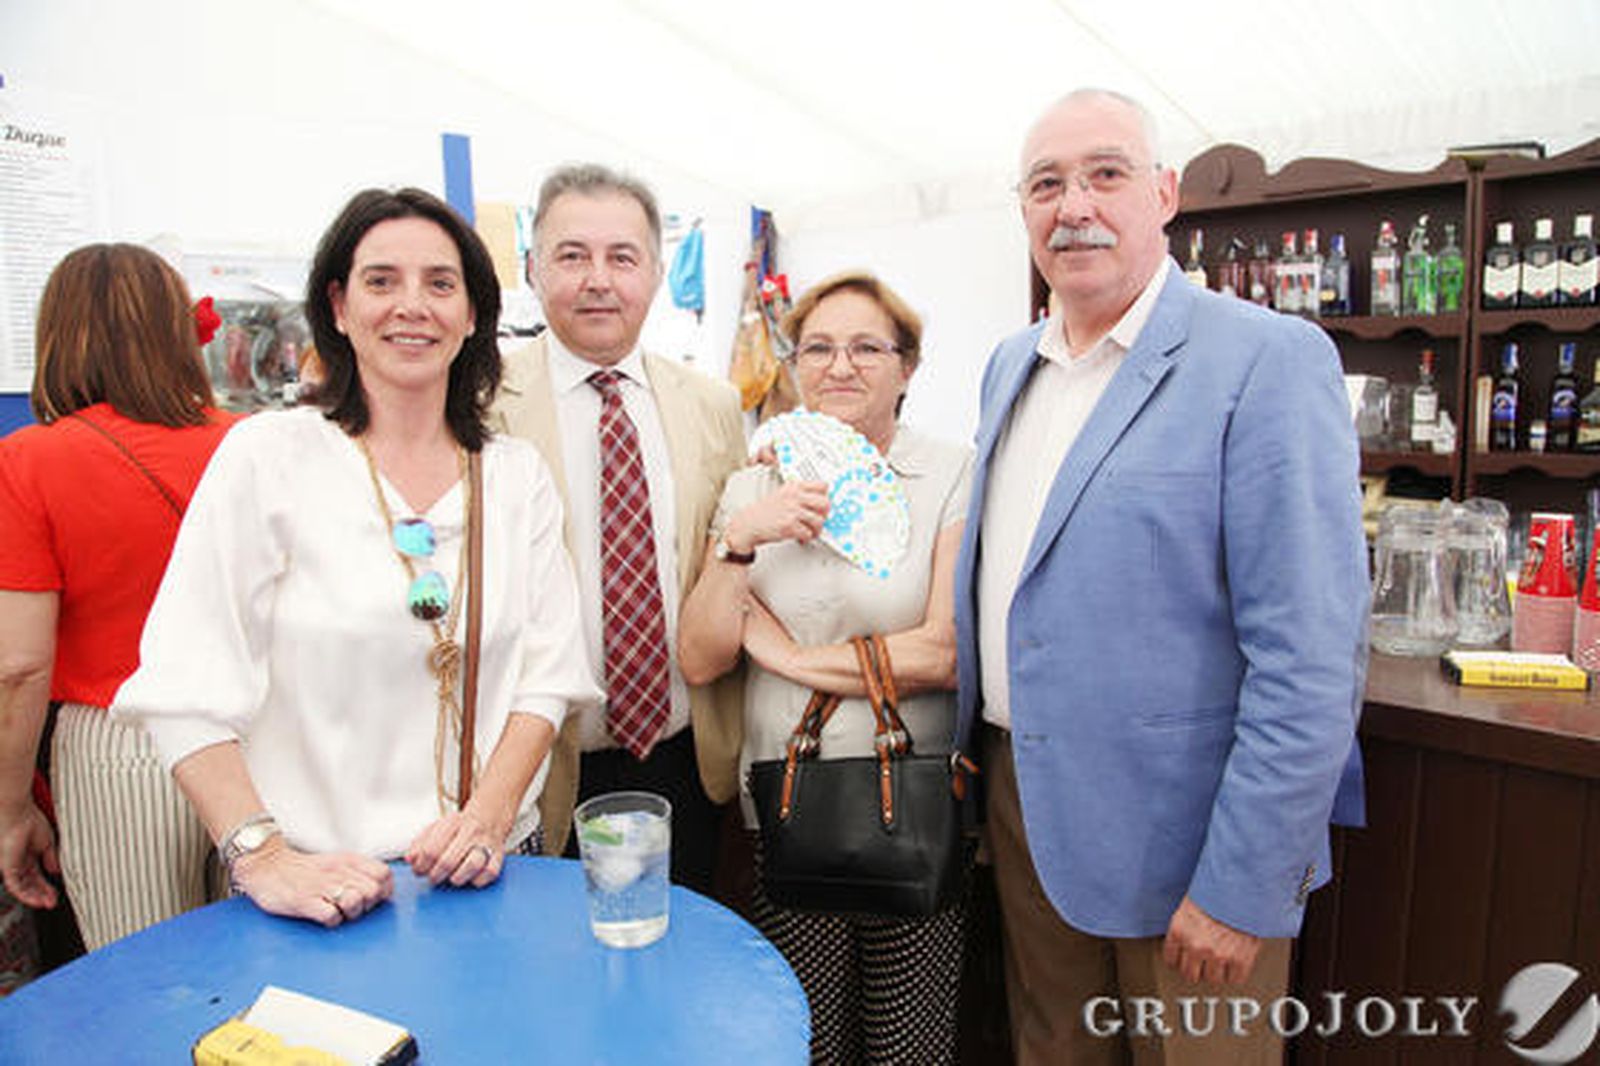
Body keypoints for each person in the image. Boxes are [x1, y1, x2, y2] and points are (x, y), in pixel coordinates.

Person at [953, 89, 1368, 1065]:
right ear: (1022, 209)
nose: (1074, 205)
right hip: (1028, 813)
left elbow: (1309, 658)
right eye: (1045, 183)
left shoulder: (1266, 360)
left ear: (1165, 192)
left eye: (1105, 173)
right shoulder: (1010, 364)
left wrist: (1242, 883)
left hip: (1193, 846)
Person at [113, 188, 597, 925]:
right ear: (338, 306)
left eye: (441, 283)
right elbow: (183, 686)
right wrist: (264, 858)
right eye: (381, 280)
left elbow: (546, 679)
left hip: (490, 873)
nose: (412, 305)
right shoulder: (269, 457)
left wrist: (490, 819)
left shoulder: (513, 474)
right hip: (317, 887)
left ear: (472, 315)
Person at [679, 270, 973, 1065]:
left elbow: (942, 652)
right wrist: (742, 540)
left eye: (866, 348)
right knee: (799, 1039)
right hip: (783, 810)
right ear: (795, 364)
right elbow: (702, 658)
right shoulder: (752, 485)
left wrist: (791, 656)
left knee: (907, 1046)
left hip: (908, 808)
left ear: (907, 367)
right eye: (818, 348)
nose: (840, 366)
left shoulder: (950, 474)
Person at [490, 163, 745, 893]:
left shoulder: (712, 404)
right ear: (535, 270)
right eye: (572, 256)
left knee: (677, 961)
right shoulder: (478, 404)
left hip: (685, 756)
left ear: (657, 274)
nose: (598, 279)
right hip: (540, 764)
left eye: (621, 257)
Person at [0, 243, 241, 951]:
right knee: (271, 975)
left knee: (146, 983)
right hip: (253, 730)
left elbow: (18, 663)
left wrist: (11, 805)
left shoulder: (32, 460)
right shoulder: (253, 442)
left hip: (117, 741)